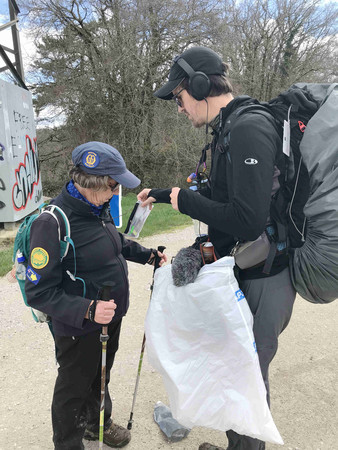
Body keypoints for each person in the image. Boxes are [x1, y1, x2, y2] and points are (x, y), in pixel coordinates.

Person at [138, 47, 296, 450]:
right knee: (233, 370)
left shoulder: (248, 128)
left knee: (246, 378)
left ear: (201, 86)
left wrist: (185, 200)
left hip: (266, 275)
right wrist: (164, 194)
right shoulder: (227, 129)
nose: (178, 107)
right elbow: (222, 194)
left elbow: (245, 217)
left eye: (178, 97)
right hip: (246, 267)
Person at [25, 141, 166, 450]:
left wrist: (147, 256)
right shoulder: (51, 222)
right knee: (73, 388)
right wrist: (88, 309)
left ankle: (96, 425)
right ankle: (68, 443)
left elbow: (113, 242)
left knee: (101, 376)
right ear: (93, 184)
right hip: (79, 326)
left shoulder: (96, 208)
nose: (116, 192)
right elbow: (38, 291)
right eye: (113, 186)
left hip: (109, 316)